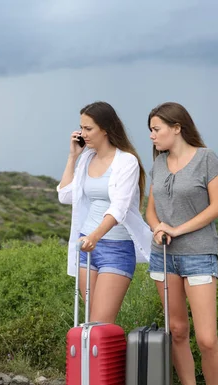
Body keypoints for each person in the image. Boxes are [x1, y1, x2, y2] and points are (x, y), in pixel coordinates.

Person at [145, 102, 218, 385]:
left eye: (156, 129)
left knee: (206, 339)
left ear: (177, 127)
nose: (152, 136)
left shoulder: (206, 158)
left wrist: (177, 229)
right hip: (164, 257)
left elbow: (217, 207)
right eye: (150, 131)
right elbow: (150, 211)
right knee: (177, 331)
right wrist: (157, 228)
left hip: (199, 256)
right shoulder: (158, 164)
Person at [57, 101, 152, 324]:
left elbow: (118, 208)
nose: (83, 134)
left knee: (101, 325)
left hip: (115, 248)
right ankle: (93, 361)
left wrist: (95, 236)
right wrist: (73, 157)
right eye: (81, 128)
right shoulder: (86, 159)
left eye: (88, 129)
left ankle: (113, 359)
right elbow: (65, 195)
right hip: (86, 246)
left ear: (106, 129)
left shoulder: (126, 161)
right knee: (90, 323)